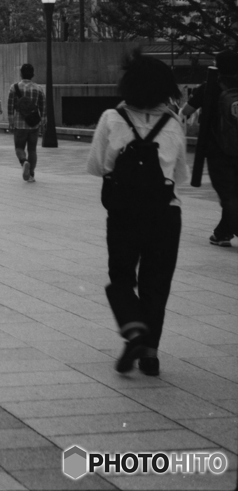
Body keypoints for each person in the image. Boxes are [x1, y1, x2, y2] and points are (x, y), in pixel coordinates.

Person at [87, 52, 187, 376]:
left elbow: (97, 166)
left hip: (123, 212)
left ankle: (133, 329)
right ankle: (150, 356)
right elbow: (181, 176)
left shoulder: (111, 119)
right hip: (165, 214)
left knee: (121, 278)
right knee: (156, 285)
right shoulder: (173, 123)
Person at [181, 50, 238, 247]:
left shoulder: (209, 86)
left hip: (217, 150)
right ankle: (222, 233)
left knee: (228, 194)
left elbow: (186, 111)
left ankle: (228, 230)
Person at [7, 63, 45, 180]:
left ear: (21, 73)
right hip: (34, 124)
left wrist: (11, 121)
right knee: (32, 149)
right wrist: (43, 120)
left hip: (19, 123)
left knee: (19, 148)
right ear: (33, 74)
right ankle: (31, 175)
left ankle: (24, 162)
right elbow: (43, 106)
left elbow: (10, 106)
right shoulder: (39, 88)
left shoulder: (14, 87)